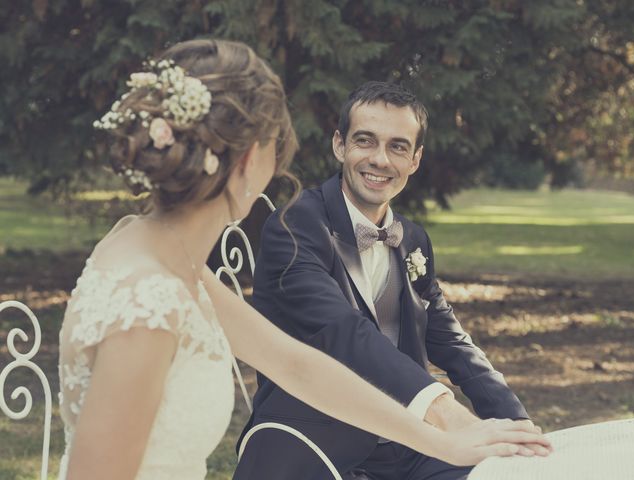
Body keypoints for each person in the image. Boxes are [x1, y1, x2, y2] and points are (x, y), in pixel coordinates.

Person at [57, 41, 549, 480]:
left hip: (401, 441)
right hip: (304, 441)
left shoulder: (174, 265)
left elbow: (297, 363)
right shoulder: (151, 301)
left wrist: (447, 435)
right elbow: (338, 337)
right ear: (251, 159)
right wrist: (445, 421)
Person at [234, 81, 549, 480]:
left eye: (397, 146)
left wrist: (518, 426)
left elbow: (451, 341)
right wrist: (444, 411)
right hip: (312, 442)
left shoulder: (414, 239)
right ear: (339, 145)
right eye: (365, 141)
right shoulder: (294, 224)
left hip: (411, 446)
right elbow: (341, 331)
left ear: (415, 160)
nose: (380, 159)